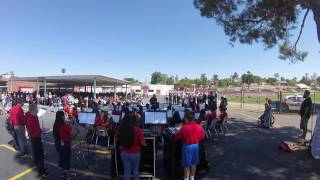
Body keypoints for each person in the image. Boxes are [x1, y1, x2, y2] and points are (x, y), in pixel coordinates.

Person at [175, 110, 205, 180]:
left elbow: (177, 137)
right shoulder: (198, 126)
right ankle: (192, 178)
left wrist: (177, 132)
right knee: (193, 164)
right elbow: (202, 136)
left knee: (186, 165)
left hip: (187, 147)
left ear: (186, 119)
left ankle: (186, 178)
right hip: (195, 146)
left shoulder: (184, 127)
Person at [116, 112, 146, 180]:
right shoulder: (138, 130)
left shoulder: (121, 129)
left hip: (124, 152)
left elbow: (117, 138)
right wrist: (145, 144)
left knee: (126, 171)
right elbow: (142, 143)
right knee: (135, 170)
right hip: (135, 153)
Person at [25, 104, 49, 178]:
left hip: (34, 137)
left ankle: (40, 168)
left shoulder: (30, 116)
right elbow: (34, 130)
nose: (37, 111)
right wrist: (41, 131)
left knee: (37, 154)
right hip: (36, 138)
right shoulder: (32, 118)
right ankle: (41, 172)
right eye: (36, 109)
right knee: (40, 155)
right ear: (33, 110)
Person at [53, 111, 75, 179]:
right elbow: (72, 134)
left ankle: (62, 172)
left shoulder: (55, 124)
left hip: (57, 143)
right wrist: (72, 128)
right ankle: (67, 174)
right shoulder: (65, 125)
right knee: (66, 159)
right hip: (65, 144)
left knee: (61, 157)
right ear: (62, 117)